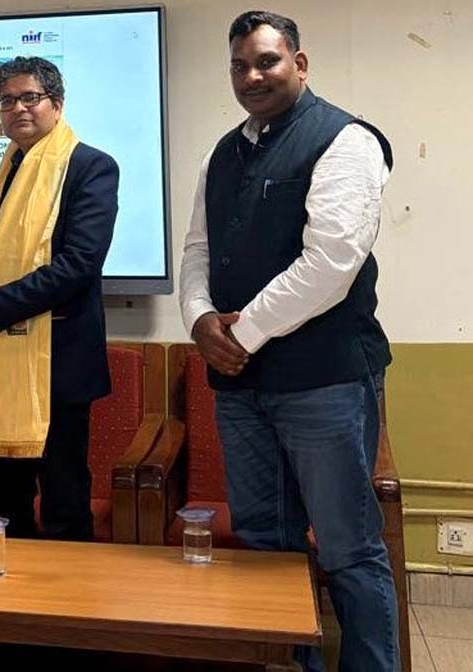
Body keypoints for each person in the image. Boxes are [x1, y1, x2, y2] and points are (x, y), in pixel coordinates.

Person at [179, 11, 397, 671]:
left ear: (299, 64)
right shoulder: (223, 153)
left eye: (267, 61)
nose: (252, 76)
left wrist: (239, 333)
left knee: (347, 548)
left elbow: (331, 263)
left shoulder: (346, 140)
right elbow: (197, 250)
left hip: (324, 381)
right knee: (265, 543)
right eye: (239, 65)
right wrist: (198, 320)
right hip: (239, 385)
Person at [0, 57, 118, 542]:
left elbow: (78, 266)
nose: (18, 108)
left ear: (56, 104)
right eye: (7, 100)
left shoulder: (91, 166)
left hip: (57, 366)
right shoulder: (11, 167)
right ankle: (4, 590)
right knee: (3, 505)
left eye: (30, 98)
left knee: (63, 505)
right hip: (0, 362)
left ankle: (67, 593)